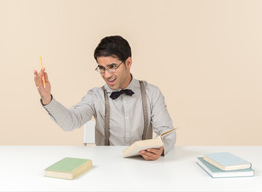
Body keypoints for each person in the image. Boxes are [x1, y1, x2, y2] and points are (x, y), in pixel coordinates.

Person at [34, 35, 176, 160]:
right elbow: (70, 122)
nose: (106, 75)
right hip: (105, 169)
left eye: (112, 66)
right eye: (101, 68)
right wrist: (47, 99)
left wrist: (162, 149)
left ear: (128, 63)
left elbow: (167, 133)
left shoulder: (152, 93)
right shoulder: (95, 96)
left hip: (144, 168)